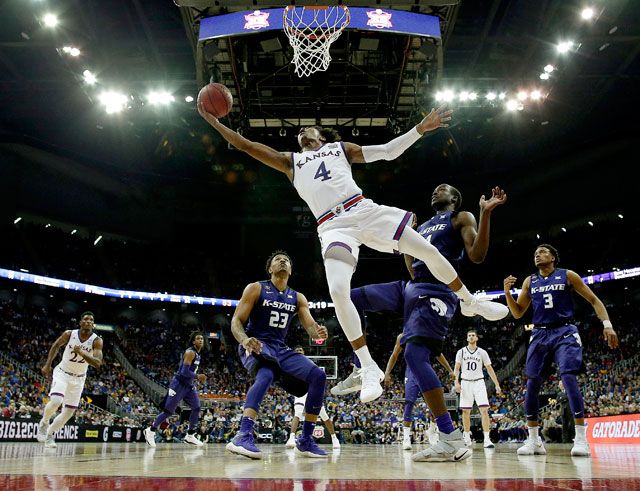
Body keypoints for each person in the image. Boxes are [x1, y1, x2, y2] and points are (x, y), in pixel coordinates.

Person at [199, 104, 509, 404]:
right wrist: (212, 120)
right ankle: (368, 366)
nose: (303, 132)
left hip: (363, 209)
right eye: (300, 133)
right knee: (338, 291)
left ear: (321, 136)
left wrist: (420, 129)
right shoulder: (289, 161)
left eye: (309, 129)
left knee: (425, 249)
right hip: (333, 226)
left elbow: (388, 151)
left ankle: (470, 302)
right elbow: (244, 144)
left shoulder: (341, 149)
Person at [332, 184, 507, 461]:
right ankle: (361, 367)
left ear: (455, 198)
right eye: (434, 189)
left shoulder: (461, 218)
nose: (435, 192)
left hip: (438, 290)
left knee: (414, 354)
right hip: (412, 286)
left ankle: (450, 438)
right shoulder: (421, 224)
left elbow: (476, 256)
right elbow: (410, 262)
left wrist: (485, 214)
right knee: (348, 297)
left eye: (443, 189)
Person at [503, 244, 620, 457]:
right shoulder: (530, 281)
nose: (537, 255)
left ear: (554, 257)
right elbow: (518, 313)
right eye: (535, 253)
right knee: (532, 384)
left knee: (568, 378)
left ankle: (581, 438)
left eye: (543, 252)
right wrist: (507, 293)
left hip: (564, 330)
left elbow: (594, 300)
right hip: (539, 334)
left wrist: (607, 325)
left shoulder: (567, 275)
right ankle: (533, 440)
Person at [225, 251, 330, 459]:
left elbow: (310, 328)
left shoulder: (297, 297)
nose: (283, 261)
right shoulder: (256, 288)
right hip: (255, 343)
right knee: (266, 374)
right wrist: (245, 339)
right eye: (277, 260)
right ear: (270, 269)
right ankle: (243, 435)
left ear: (290, 270)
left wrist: (318, 333)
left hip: (279, 348)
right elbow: (236, 321)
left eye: (287, 260)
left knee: (319, 376)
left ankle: (306, 440)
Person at [37, 312, 103, 448]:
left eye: (91, 319)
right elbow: (56, 345)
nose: (88, 321)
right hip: (63, 373)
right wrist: (48, 364)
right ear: (80, 322)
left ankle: (50, 435)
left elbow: (97, 363)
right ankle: (44, 422)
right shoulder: (69, 334)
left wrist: (83, 353)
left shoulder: (97, 341)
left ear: (93, 324)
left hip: (79, 379)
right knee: (56, 401)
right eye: (85, 319)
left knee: (68, 412)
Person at [384, 333, 453, 450]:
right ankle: (406, 438)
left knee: (435, 404)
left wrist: (450, 370)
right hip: (411, 372)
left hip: (425, 369)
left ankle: (432, 430)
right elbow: (395, 354)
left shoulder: (428, 334)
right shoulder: (403, 336)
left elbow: (438, 354)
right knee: (409, 402)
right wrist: (387, 372)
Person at [144, 331, 207, 448]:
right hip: (178, 384)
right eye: (198, 339)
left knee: (197, 407)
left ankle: (190, 435)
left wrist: (195, 378)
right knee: (169, 411)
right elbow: (184, 371)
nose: (201, 340)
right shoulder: (190, 352)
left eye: (202, 339)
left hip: (188, 386)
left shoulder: (198, 354)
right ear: (193, 341)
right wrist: (198, 376)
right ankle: (151, 430)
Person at [285, 346, 341, 450]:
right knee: (297, 413)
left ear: (304, 352)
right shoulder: (290, 364)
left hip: (311, 390)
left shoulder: (309, 363)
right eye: (297, 350)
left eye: (300, 350)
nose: (299, 351)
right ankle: (291, 438)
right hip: (300, 391)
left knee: (324, 415)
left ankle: (334, 438)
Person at [453, 329, 502, 448]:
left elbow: (489, 369)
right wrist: (456, 382)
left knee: (484, 410)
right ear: (466, 338)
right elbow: (457, 368)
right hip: (465, 383)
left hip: (479, 382)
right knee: (465, 411)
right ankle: (467, 437)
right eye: (469, 335)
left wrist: (496, 384)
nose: (471, 337)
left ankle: (487, 439)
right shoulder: (461, 352)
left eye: (473, 335)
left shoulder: (482, 352)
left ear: (477, 338)